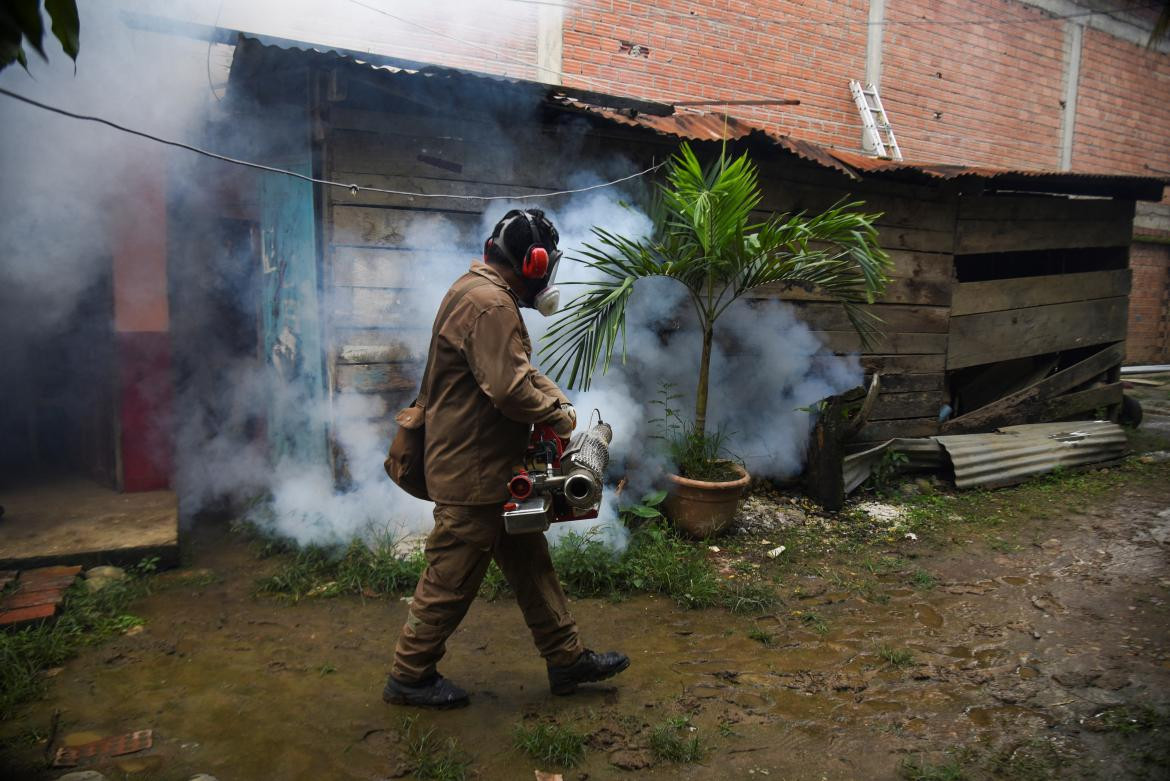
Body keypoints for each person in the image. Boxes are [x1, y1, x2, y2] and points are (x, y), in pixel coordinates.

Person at [383, 209, 630, 709]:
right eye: (547, 266)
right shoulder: (490, 304)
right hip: (473, 471)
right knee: (450, 578)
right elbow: (512, 390)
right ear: (534, 263)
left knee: (530, 563)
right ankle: (409, 676)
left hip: (493, 468)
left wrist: (556, 398)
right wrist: (559, 418)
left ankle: (566, 660)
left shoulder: (477, 292)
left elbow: (517, 370)